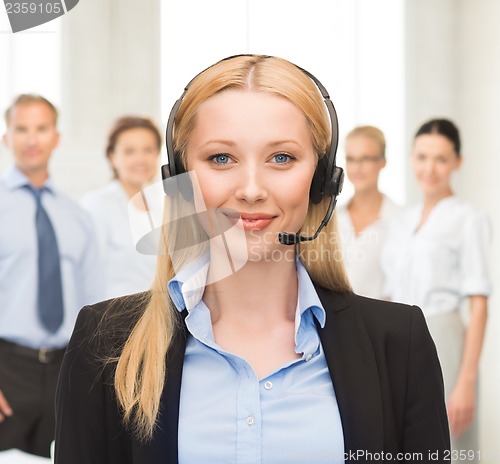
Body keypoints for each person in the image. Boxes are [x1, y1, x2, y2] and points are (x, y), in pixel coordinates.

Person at [55, 55, 450, 464]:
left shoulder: (399, 344)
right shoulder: (102, 344)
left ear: (321, 180)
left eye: (281, 158)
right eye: (221, 158)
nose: (251, 189)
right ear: (180, 179)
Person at [0, 94, 103, 458]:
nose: (32, 139)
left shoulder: (77, 216)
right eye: (21, 129)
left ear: (56, 138)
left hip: (66, 369)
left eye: (41, 129)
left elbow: (93, 304)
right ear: (6, 138)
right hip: (7, 369)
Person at [382, 119, 491, 462]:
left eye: (441, 159)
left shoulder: (469, 219)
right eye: (422, 157)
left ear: (457, 162)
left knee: (449, 446)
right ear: (412, 159)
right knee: (401, 442)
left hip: (444, 337)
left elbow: (478, 303)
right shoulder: (400, 220)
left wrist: (466, 381)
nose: (430, 168)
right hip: (397, 338)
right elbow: (387, 294)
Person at [81, 116, 162, 299]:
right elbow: (88, 275)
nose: (140, 159)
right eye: (129, 151)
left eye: (148, 150)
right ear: (112, 157)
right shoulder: (97, 205)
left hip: (158, 317)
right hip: (114, 319)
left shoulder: (161, 207)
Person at [337, 126, 400, 299]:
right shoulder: (331, 219)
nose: (357, 168)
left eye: (366, 159)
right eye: (351, 159)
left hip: (382, 322)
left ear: (382, 162)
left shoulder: (400, 221)